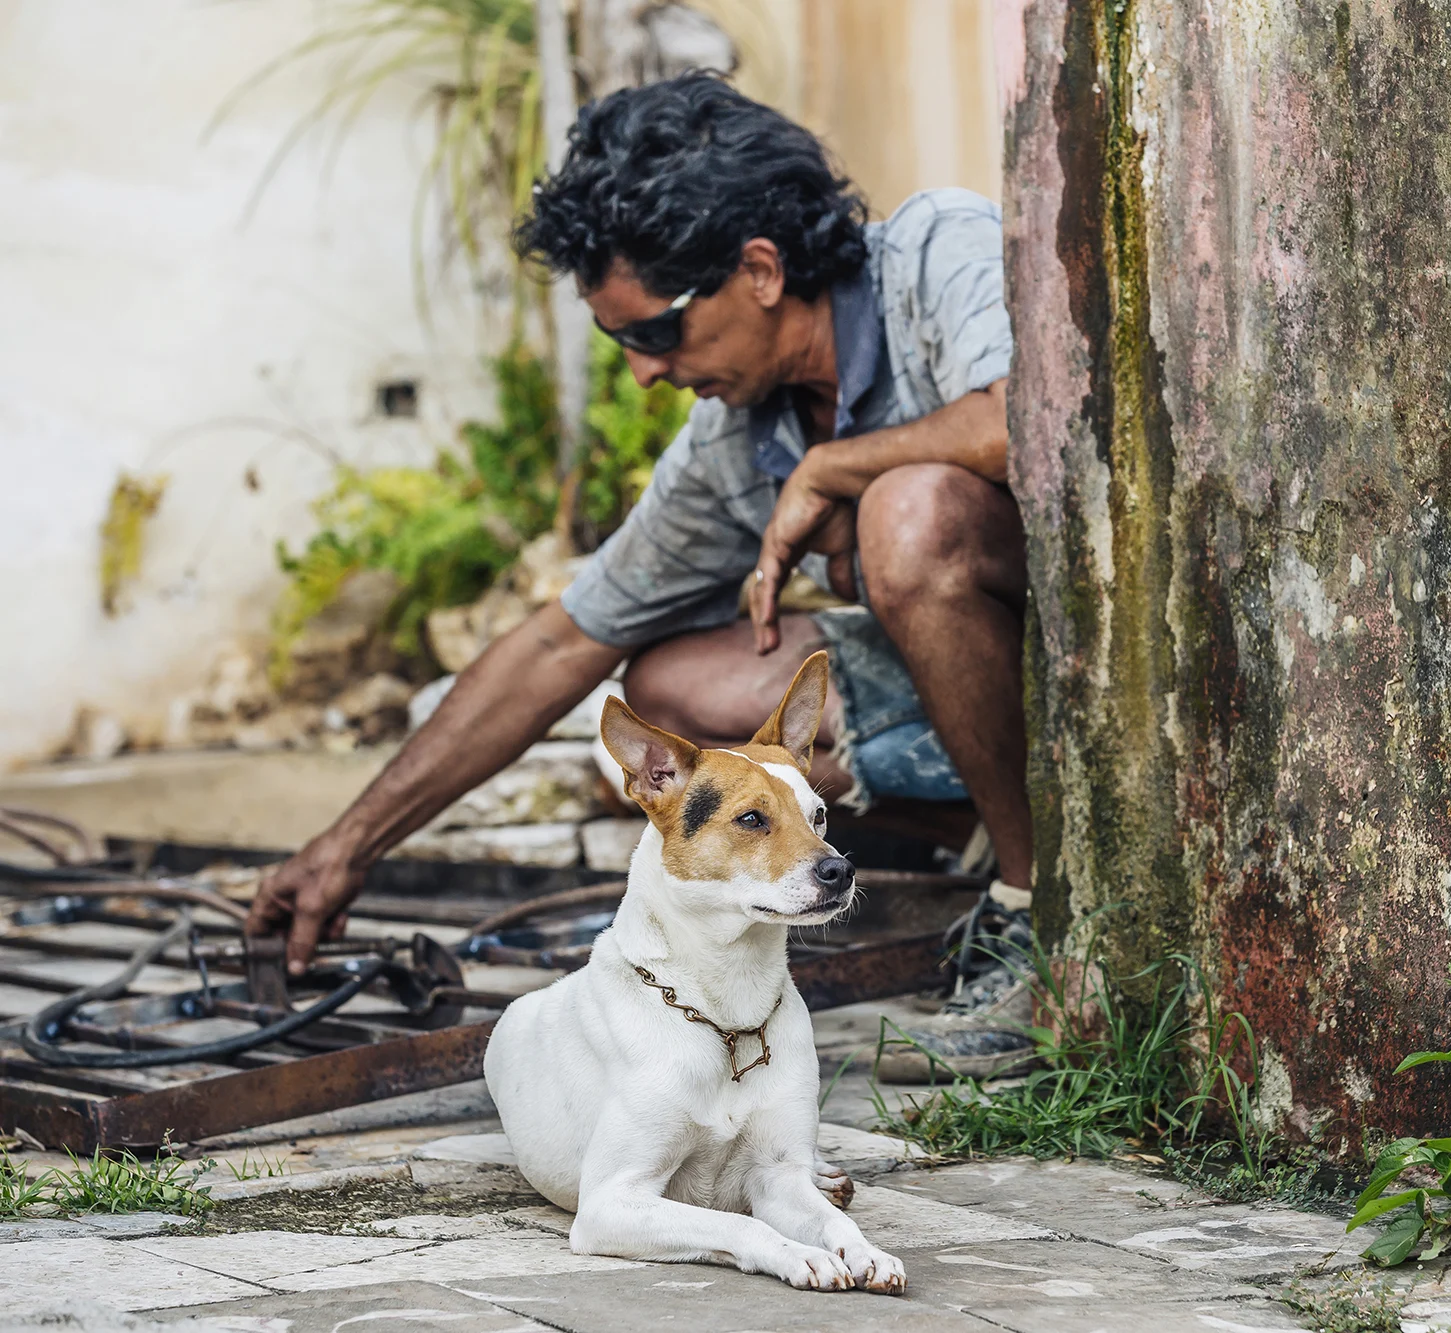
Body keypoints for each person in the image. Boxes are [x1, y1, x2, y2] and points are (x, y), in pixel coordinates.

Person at [246, 73, 1032, 1074]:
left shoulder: (933, 248)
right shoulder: (729, 442)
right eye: (620, 345)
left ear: (757, 269)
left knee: (908, 511)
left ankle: (1033, 910)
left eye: (653, 332)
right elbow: (561, 641)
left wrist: (837, 468)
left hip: (1094, 664)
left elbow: (1012, 427)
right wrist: (350, 843)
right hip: (978, 695)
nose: (644, 373)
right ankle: (976, 825)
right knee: (670, 689)